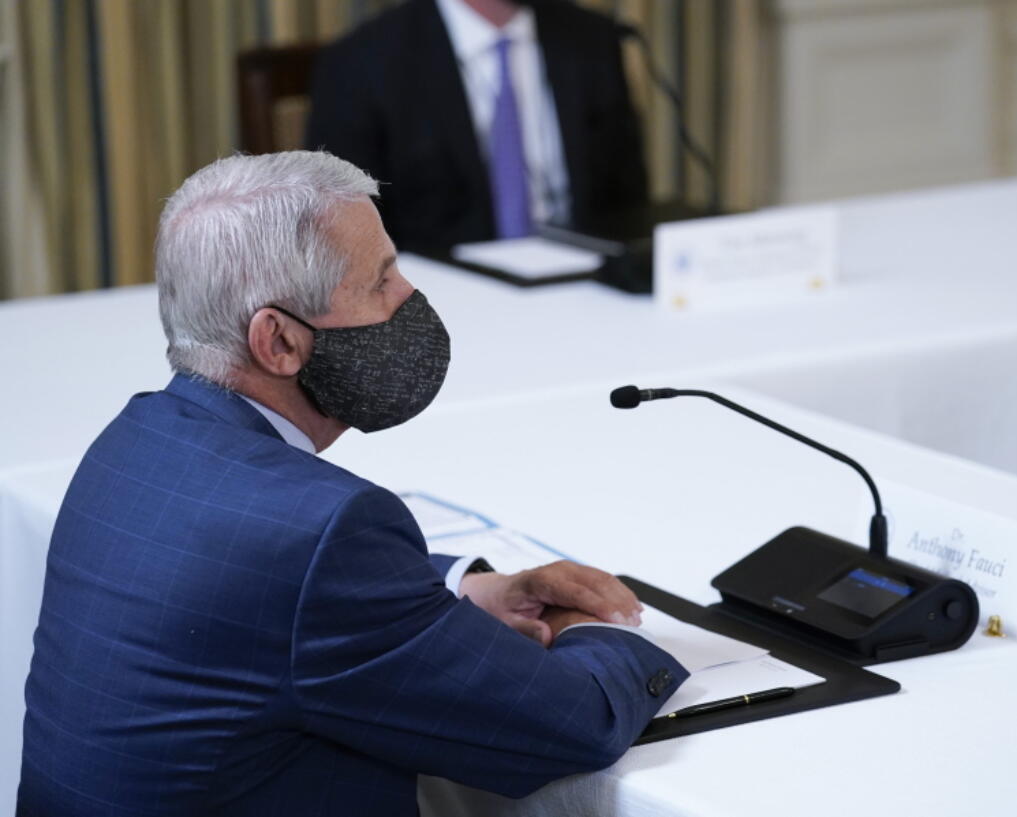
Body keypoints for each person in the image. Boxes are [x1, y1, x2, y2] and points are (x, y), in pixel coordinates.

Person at [18, 151, 685, 816]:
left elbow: (254, 578)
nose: (409, 300)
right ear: (277, 341)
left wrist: (464, 588)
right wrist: (590, 628)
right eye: (381, 280)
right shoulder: (325, 533)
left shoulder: (132, 442)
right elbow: (574, 722)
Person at [306, 0, 648, 252]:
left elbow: (628, 199)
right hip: (443, 298)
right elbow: (343, 233)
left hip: (584, 283)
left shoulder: (592, 40)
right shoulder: (362, 62)